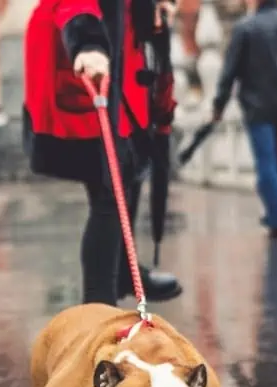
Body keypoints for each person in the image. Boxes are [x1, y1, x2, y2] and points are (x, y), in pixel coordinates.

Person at [23, 0, 183, 306]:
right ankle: (99, 304)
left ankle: (124, 270)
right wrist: (88, 43)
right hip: (89, 52)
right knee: (109, 188)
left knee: (128, 169)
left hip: (125, 52)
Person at [211, 0, 277, 238]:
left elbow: (230, 72)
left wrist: (219, 104)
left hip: (257, 106)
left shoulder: (245, 29)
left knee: (267, 162)